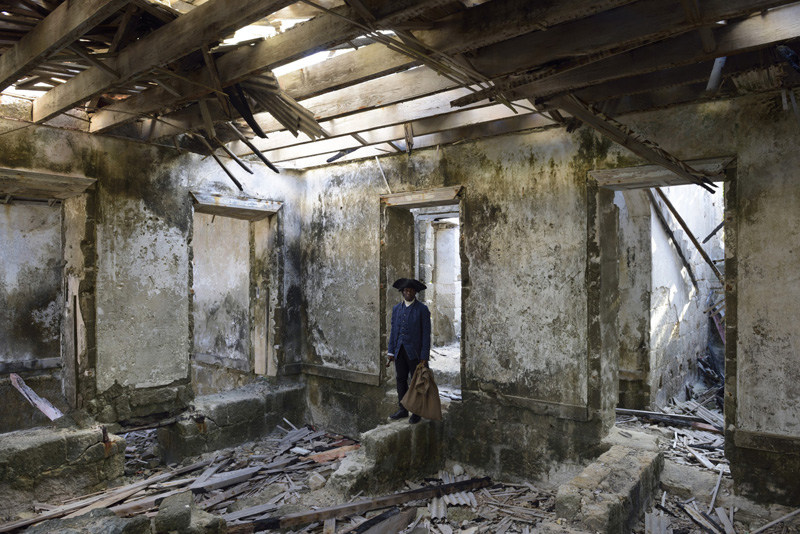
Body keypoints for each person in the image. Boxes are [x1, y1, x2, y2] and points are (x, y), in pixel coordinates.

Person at [387, 277, 431, 424]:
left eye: (411, 290)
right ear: (402, 292)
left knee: (416, 382)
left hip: (415, 353)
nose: (408, 293)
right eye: (406, 290)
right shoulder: (396, 309)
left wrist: (424, 355)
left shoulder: (422, 310)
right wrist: (391, 351)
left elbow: (426, 335)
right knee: (400, 379)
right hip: (399, 351)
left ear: (415, 292)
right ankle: (403, 409)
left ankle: (417, 412)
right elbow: (393, 331)